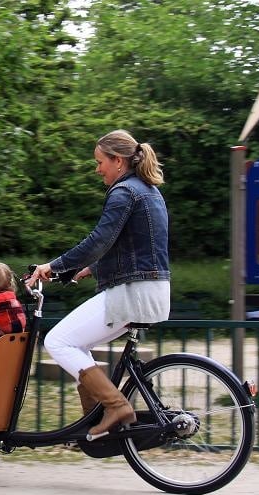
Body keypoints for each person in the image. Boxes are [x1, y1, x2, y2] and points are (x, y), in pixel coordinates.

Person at [26, 129, 170, 440]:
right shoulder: (149, 190)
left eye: (100, 162)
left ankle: (115, 406)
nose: (97, 169)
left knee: (58, 342)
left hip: (131, 293)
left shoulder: (124, 192)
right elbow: (134, 246)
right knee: (79, 345)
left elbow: (99, 241)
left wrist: (52, 266)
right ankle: (91, 424)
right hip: (153, 290)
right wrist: (89, 269)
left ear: (118, 161)